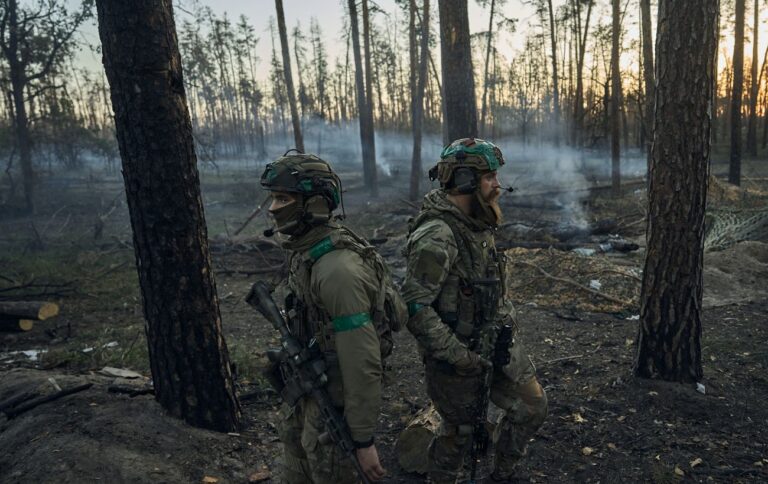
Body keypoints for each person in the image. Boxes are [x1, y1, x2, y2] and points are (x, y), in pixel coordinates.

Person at [401, 138, 548, 483]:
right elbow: (414, 306)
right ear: (465, 180)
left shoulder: (475, 222)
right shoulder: (438, 234)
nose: (497, 184)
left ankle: (503, 474)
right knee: (459, 436)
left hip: (497, 343)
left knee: (533, 406)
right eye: (489, 177)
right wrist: (458, 356)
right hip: (457, 358)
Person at [260, 151, 404, 483]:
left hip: (334, 407)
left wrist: (363, 439)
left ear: (314, 203)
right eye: (273, 197)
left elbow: (361, 358)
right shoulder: (308, 250)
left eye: (283, 198)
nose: (272, 208)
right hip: (307, 394)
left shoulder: (337, 269)